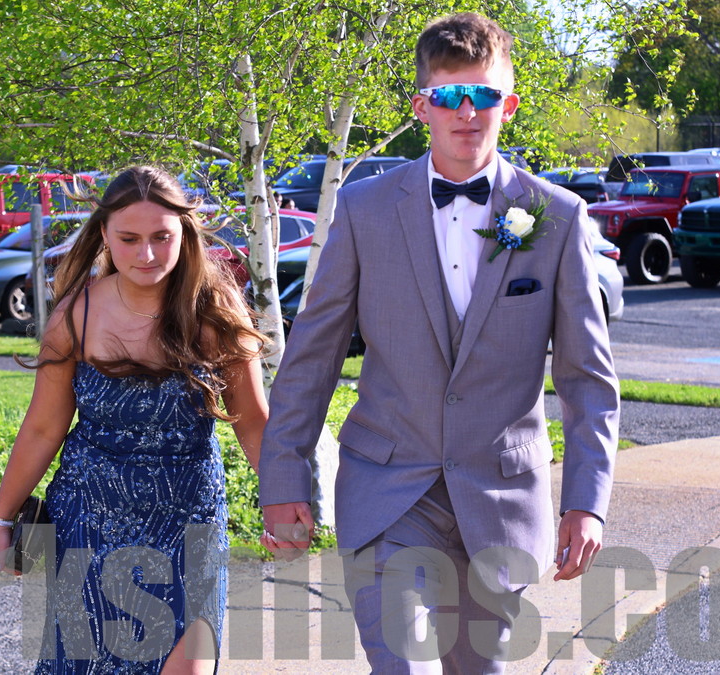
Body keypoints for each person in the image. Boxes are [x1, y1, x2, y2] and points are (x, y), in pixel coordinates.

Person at [258, 12, 619, 672]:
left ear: (509, 105)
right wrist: (285, 476)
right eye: (450, 95)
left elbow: (588, 381)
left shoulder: (558, 217)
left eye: (483, 95)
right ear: (422, 105)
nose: (467, 112)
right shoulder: (364, 210)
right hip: (388, 495)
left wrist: (586, 503)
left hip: (501, 504)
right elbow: (312, 355)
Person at [0, 165, 268, 674]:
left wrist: (282, 500)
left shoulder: (215, 312)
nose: (147, 254)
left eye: (162, 237)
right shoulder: (76, 316)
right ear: (104, 235)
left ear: (185, 232)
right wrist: (3, 516)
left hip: (190, 518)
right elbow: (43, 428)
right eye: (130, 239)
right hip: (91, 520)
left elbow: (252, 422)